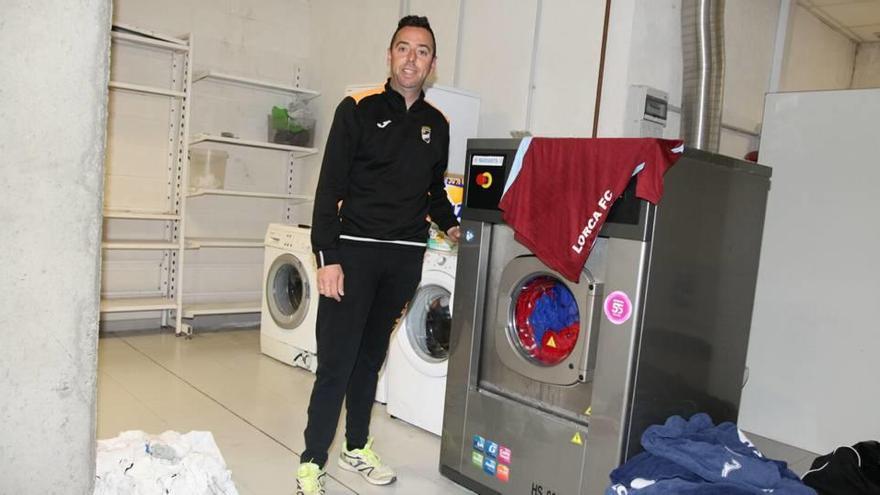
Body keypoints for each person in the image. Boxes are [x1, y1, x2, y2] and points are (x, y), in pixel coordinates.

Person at [296, 15, 460, 495]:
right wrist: (326, 256)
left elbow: (433, 192)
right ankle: (312, 459)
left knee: (371, 359)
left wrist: (453, 225)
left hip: (404, 258)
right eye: (404, 48)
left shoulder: (438, 124)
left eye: (423, 51)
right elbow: (329, 188)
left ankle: (356, 447)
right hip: (354, 253)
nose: (412, 58)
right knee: (337, 362)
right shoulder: (357, 107)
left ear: (432, 63)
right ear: (389, 56)